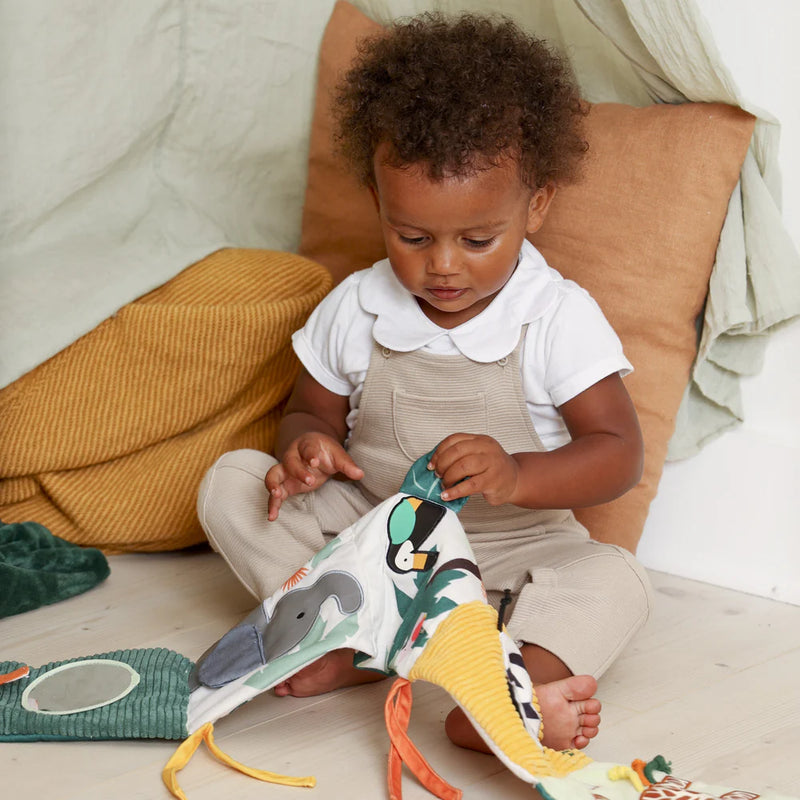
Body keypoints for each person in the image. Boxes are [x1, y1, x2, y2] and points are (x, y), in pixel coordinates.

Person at [197, 12, 652, 754]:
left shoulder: (554, 316)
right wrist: (305, 447)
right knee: (234, 482)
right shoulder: (357, 304)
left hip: (513, 555)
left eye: (477, 240)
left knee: (616, 578)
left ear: (535, 207)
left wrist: (517, 473)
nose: (443, 266)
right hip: (379, 541)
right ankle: (349, 639)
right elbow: (307, 409)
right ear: (378, 204)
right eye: (412, 237)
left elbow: (617, 452)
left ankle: (505, 688)